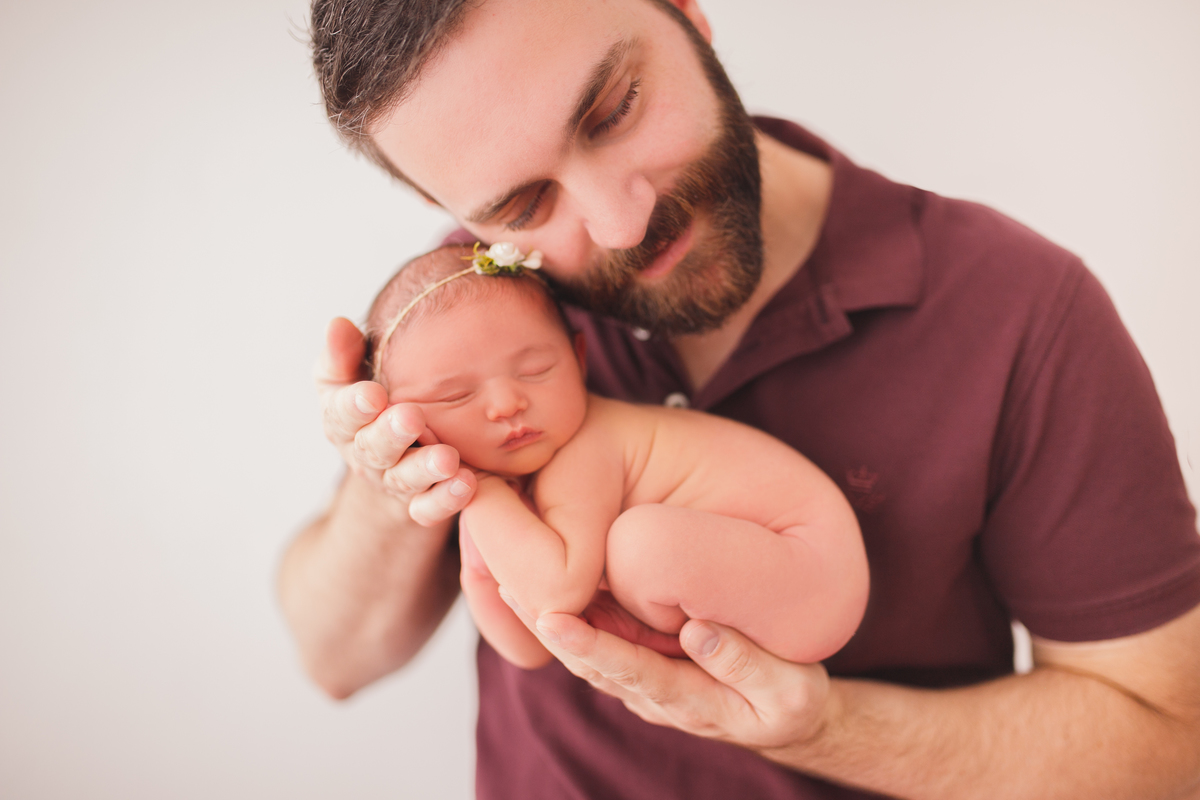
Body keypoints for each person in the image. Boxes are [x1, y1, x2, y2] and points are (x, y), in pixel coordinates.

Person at [279, 0, 1200, 797]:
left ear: (684, 12)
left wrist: (828, 729)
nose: (618, 220)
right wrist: (392, 466)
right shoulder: (479, 313)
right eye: (523, 207)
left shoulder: (1017, 308)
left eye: (613, 109)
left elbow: (1171, 747)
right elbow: (334, 659)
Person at [362, 242, 868, 671]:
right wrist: (477, 565)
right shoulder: (501, 486)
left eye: (536, 370)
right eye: (456, 397)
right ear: (400, 422)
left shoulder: (584, 447)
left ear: (579, 360)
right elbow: (535, 646)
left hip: (810, 567)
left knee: (638, 545)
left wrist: (484, 494)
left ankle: (661, 638)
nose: (506, 404)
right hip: (783, 576)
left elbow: (556, 594)